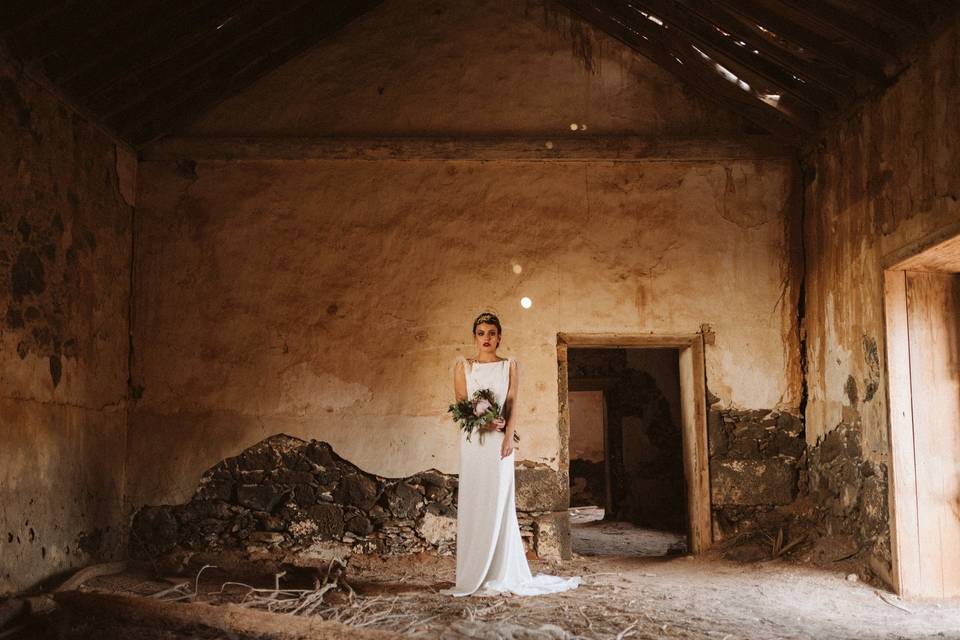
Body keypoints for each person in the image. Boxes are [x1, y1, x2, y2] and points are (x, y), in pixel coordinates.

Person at [440, 311, 581, 597]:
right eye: (481, 333)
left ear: (499, 336)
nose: (487, 338)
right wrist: (484, 421)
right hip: (474, 443)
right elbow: (461, 407)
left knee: (498, 501)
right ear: (474, 337)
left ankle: (501, 571)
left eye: (492, 333)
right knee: (475, 500)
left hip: (498, 444)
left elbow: (513, 403)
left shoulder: (510, 366)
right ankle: (473, 572)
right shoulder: (463, 367)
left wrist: (507, 437)